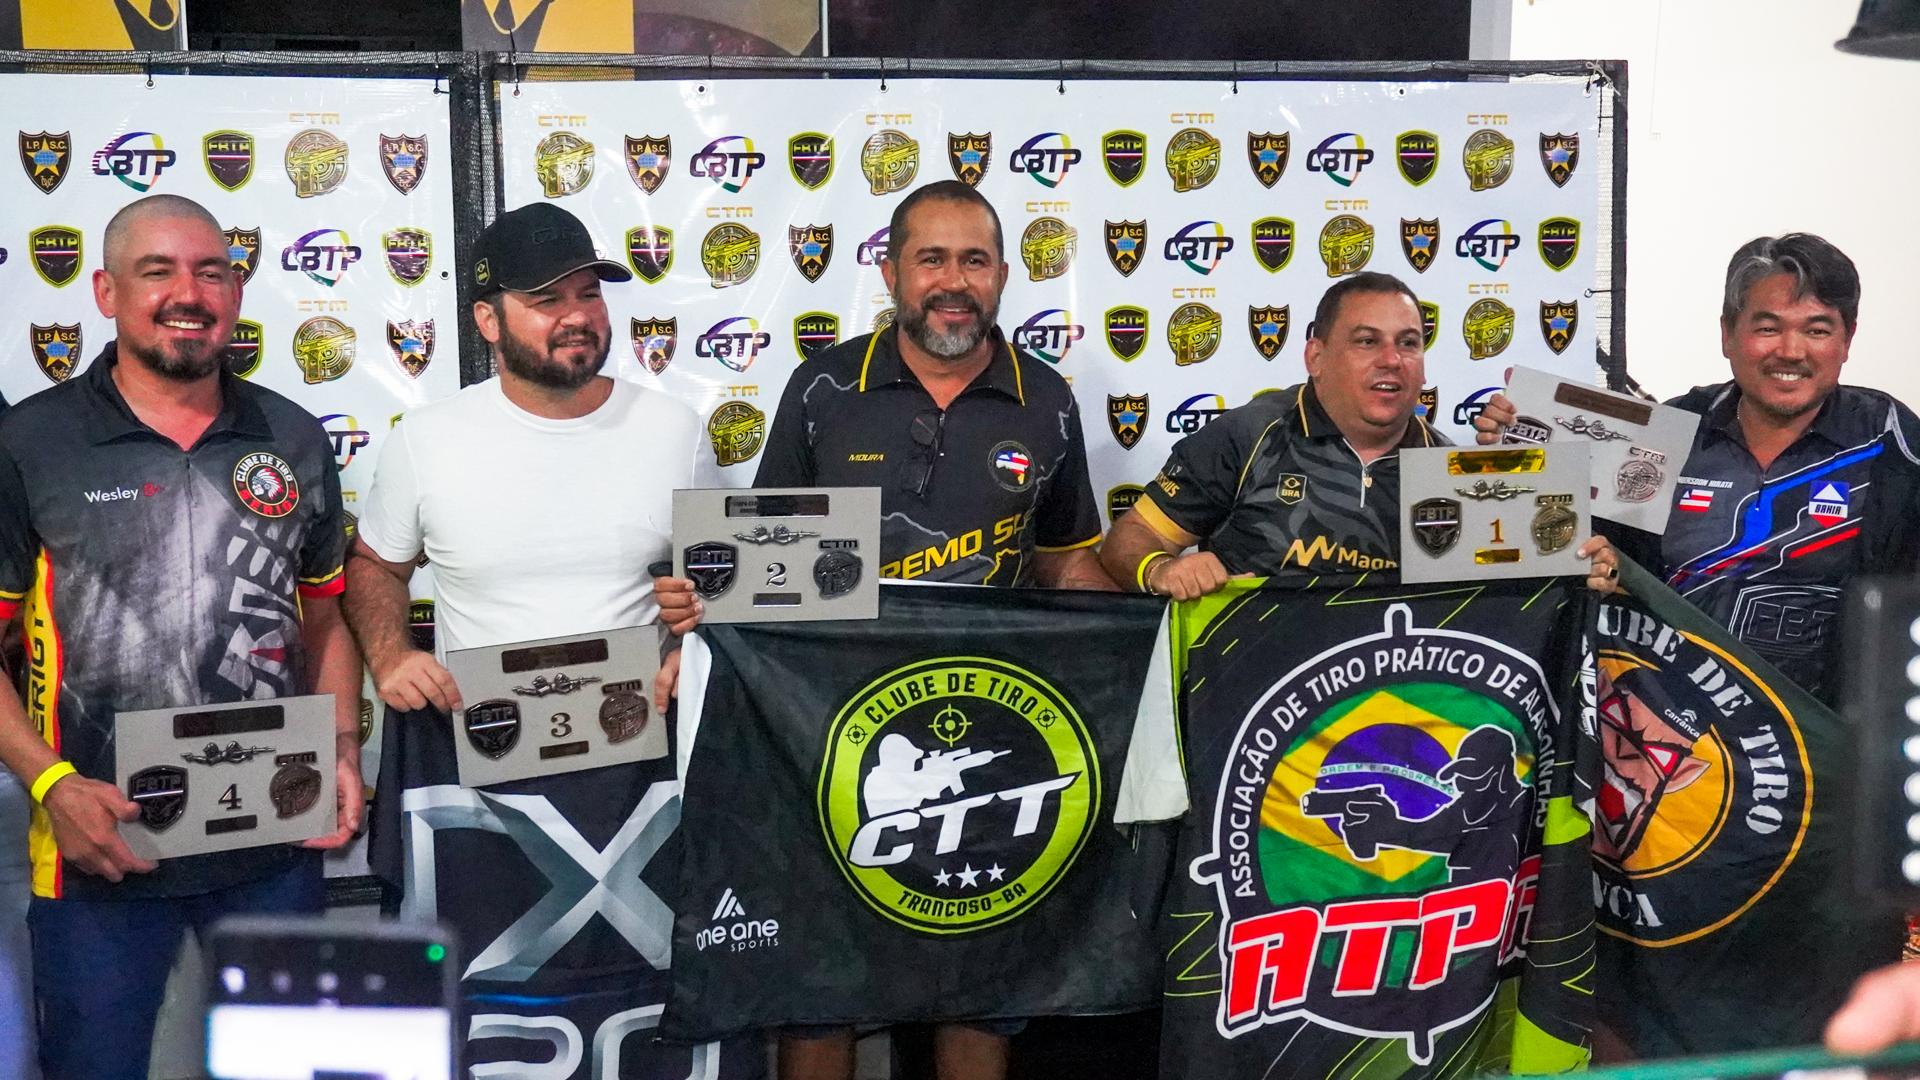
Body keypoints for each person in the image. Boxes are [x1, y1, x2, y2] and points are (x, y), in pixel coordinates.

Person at [662, 178, 1112, 1080]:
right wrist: (700, 619)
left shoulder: (1048, 398)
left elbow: (1067, 562)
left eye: (974, 260)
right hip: (826, 729)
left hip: (992, 713)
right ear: (892, 272)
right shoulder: (824, 386)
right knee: (818, 975)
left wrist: (1147, 625)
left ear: (1003, 276)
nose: (953, 281)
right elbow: (764, 554)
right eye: (931, 259)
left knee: (984, 971)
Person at [345, 202, 748, 1075]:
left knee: (650, 1010)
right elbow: (374, 566)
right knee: (497, 1018)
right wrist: (389, 656)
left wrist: (694, 647)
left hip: (643, 782)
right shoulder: (428, 441)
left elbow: (720, 580)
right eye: (546, 300)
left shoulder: (673, 430)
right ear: (487, 320)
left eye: (588, 294)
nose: (577, 316)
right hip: (487, 790)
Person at [0, 193, 363, 1079]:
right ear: (106, 292)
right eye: (157, 271)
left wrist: (342, 749)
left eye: (211, 272)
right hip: (100, 848)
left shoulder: (291, 434)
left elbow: (326, 619)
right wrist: (51, 784)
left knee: (289, 1070)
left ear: (235, 292)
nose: (188, 294)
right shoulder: (31, 443)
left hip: (276, 839)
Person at [1474, 233, 1920, 704]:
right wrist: (1516, 463)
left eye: (1817, 330)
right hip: (1665, 727)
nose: (1791, 351)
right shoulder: (1669, 430)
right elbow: (1579, 555)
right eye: (1768, 328)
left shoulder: (1894, 442)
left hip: (1831, 737)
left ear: (1847, 339)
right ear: (1728, 333)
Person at [1099, 271, 1619, 596]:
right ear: (1316, 356)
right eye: (1367, 341)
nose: (1392, 360)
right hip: (1253, 705)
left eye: (1408, 343)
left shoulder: (1449, 469)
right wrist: (1160, 570)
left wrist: (1584, 572)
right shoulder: (1248, 435)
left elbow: (1510, 604)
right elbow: (1130, 540)